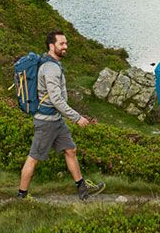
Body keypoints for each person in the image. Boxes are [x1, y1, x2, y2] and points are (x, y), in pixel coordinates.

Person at [17, 31, 105, 201]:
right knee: (34, 158)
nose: (65, 47)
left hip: (56, 120)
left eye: (66, 43)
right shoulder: (50, 68)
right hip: (46, 122)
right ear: (52, 46)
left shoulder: (52, 63)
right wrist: (77, 117)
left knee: (70, 150)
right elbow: (56, 99)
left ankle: (83, 189)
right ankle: (22, 196)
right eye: (61, 44)